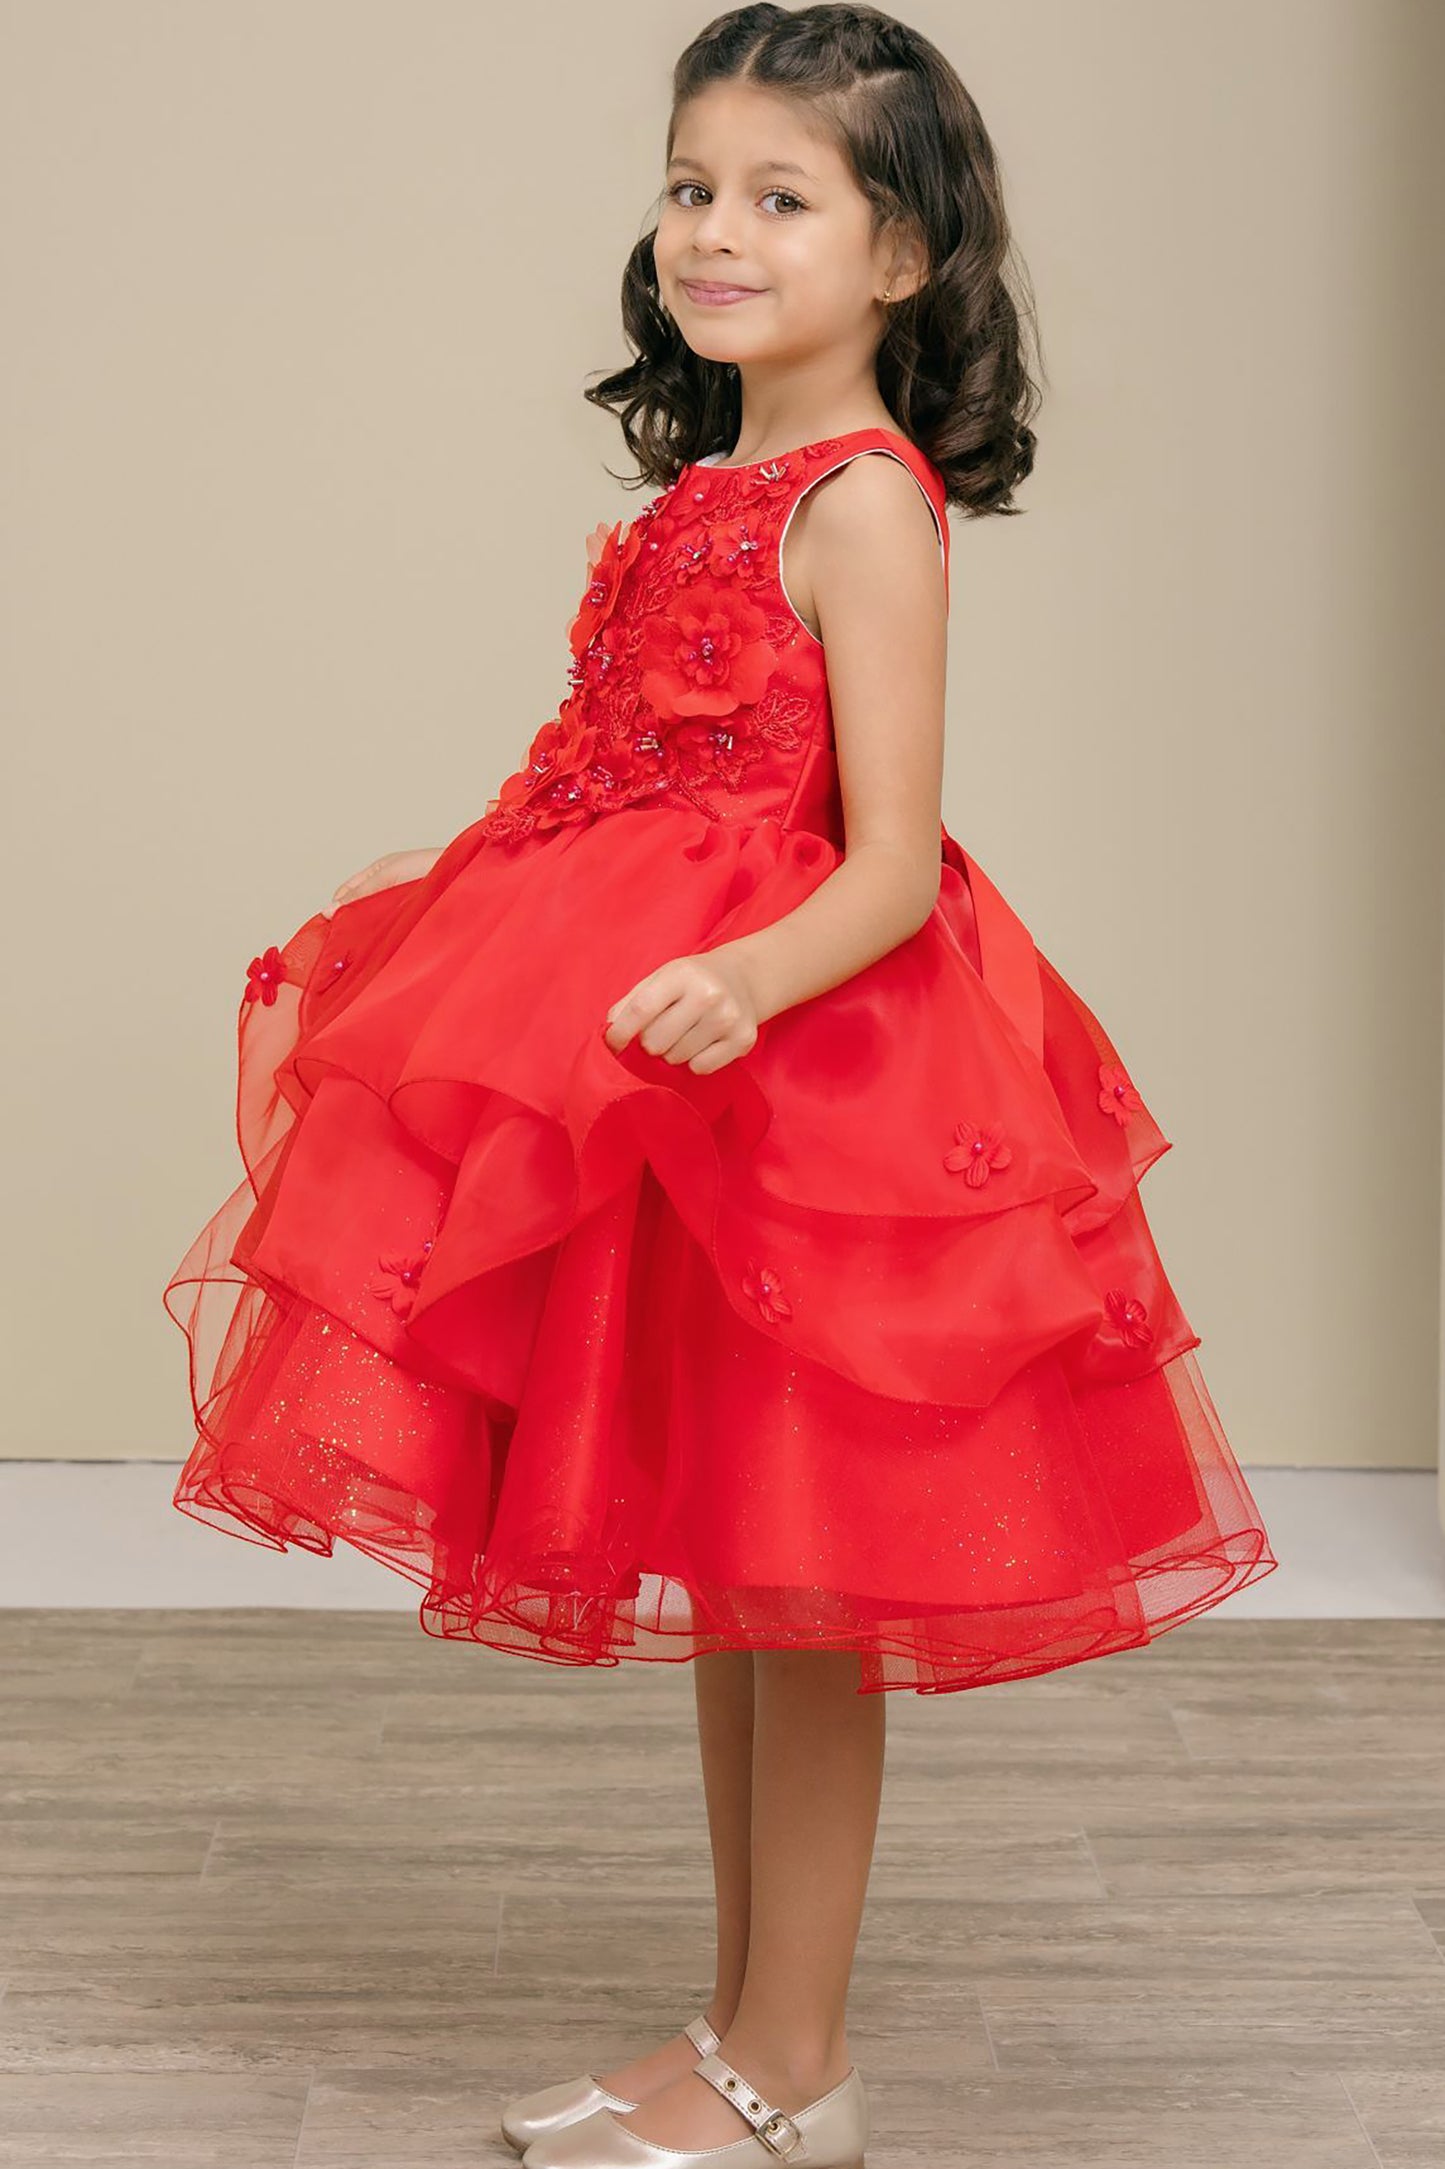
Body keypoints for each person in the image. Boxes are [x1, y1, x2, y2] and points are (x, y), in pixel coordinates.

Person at [162, 6, 1279, 2165]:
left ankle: (802, 2060)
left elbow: (887, 857)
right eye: (693, 184)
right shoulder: (705, 488)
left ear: (906, 255)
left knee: (811, 1588)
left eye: (781, 196)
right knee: (723, 1565)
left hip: (803, 1086)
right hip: (656, 1086)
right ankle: (733, 2029)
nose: (715, 229)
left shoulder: (868, 503)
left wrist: (730, 978)